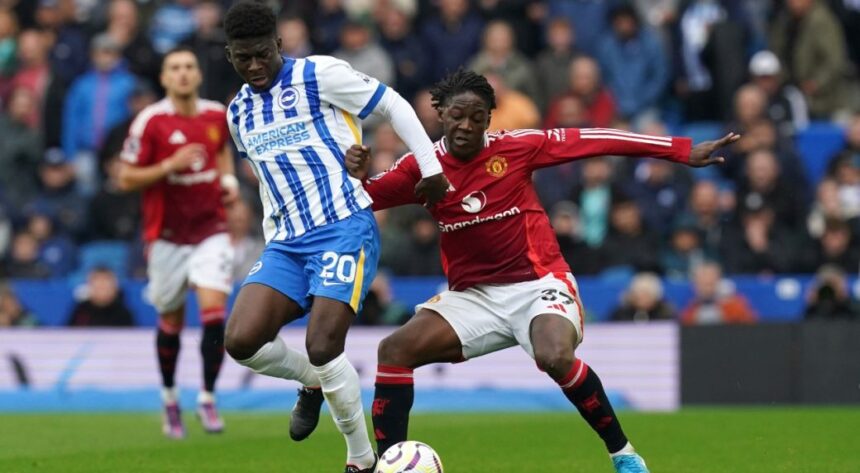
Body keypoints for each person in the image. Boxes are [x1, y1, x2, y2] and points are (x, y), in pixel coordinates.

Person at [344, 70, 735, 472]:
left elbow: (596, 139)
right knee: (393, 351)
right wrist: (355, 175)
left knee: (553, 354)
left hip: (539, 284)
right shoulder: (419, 169)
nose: (466, 126)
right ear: (440, 114)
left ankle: (624, 455)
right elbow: (355, 201)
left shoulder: (517, 148)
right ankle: (387, 465)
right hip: (474, 297)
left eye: (477, 117)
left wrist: (680, 149)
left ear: (490, 119)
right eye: (457, 115)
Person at [219, 3, 448, 473]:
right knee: (241, 340)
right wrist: (272, 235)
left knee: (323, 345)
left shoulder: (318, 74)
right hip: (287, 242)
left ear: (279, 44)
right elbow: (268, 177)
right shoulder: (237, 111)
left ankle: (360, 460)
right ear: (230, 56)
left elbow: (393, 105)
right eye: (244, 58)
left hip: (343, 226)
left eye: (263, 53)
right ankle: (313, 384)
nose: (256, 66)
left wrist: (431, 168)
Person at [119, 46, 237, 439]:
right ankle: (170, 398)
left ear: (198, 75)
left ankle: (207, 397)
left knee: (214, 315)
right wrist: (170, 165)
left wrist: (229, 182)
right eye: (175, 68)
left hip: (210, 231)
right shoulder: (149, 122)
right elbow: (125, 178)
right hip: (167, 236)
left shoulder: (215, 114)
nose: (183, 73)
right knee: (170, 319)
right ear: (165, 78)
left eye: (189, 66)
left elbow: (221, 152)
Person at [680, 262, 757, 325]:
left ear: (718, 282)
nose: (707, 289)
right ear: (695, 286)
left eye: (710, 284)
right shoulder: (691, 308)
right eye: (703, 284)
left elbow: (749, 326)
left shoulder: (734, 304)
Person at [66, 267, 135, 327]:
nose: (102, 287)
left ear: (114, 287)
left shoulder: (123, 314)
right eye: (98, 286)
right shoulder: (81, 311)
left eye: (105, 285)